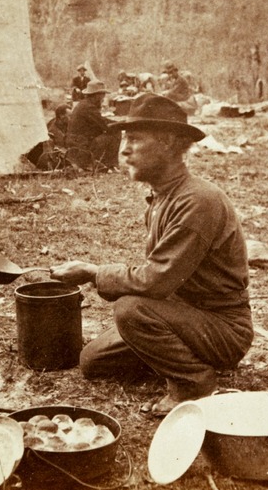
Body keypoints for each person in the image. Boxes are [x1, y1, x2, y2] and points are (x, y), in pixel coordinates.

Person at [50, 93, 254, 417]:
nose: (124, 150)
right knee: (92, 360)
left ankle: (194, 384)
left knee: (130, 310)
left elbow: (155, 282)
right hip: (184, 317)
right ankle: (183, 358)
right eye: (123, 140)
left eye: (134, 139)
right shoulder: (163, 197)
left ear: (170, 144)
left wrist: (93, 273)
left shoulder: (198, 200)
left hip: (224, 329)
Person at [64, 80, 120, 172]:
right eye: (102, 94)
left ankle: (103, 163)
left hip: (77, 145)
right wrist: (121, 124)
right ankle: (111, 165)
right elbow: (105, 125)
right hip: (81, 147)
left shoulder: (84, 104)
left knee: (111, 130)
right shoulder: (88, 107)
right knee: (115, 132)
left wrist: (116, 122)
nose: (103, 98)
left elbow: (100, 121)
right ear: (96, 95)